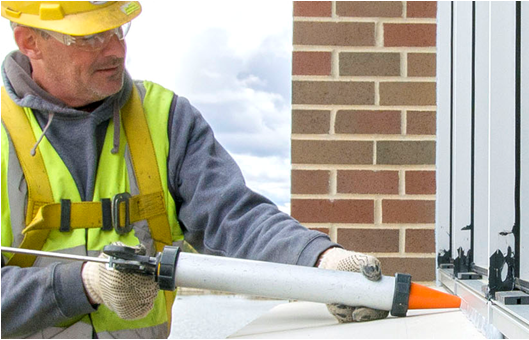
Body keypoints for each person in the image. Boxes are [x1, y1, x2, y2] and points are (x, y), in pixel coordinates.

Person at [0, 2, 388, 338]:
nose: (116, 49)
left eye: (117, 29)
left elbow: (233, 215)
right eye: (88, 38)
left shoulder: (163, 118)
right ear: (30, 41)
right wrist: (81, 284)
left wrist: (321, 262)